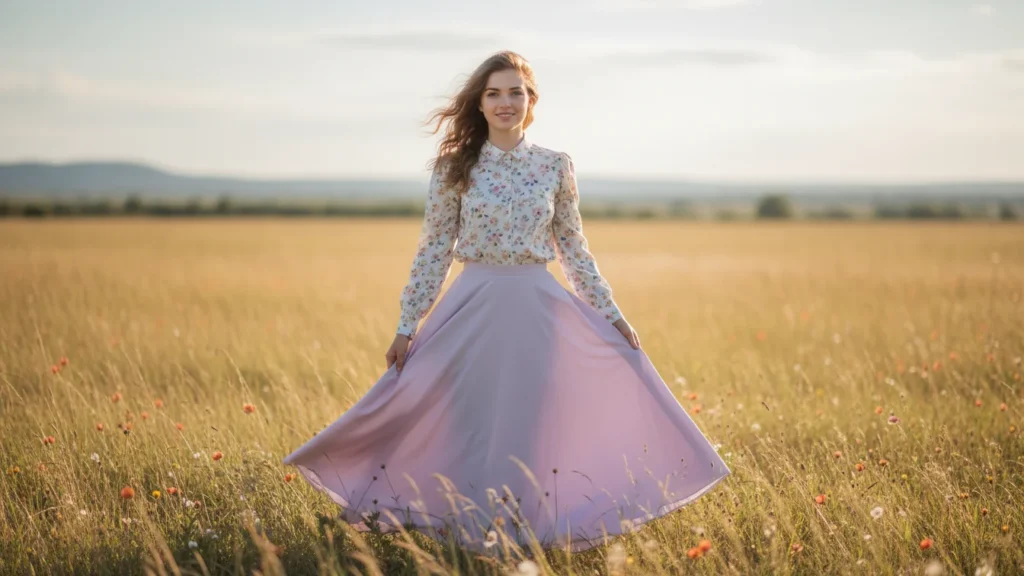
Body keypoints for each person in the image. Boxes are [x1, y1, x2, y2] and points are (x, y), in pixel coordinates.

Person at [284, 50, 729, 554]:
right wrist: (407, 325)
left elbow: (574, 249)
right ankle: (466, 536)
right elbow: (434, 249)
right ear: (479, 102)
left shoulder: (554, 165)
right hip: (470, 309)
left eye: (515, 92)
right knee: (467, 426)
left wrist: (612, 316)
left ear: (531, 100)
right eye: (494, 93)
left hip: (537, 311)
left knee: (526, 427)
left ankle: (522, 541)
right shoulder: (454, 168)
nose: (504, 102)